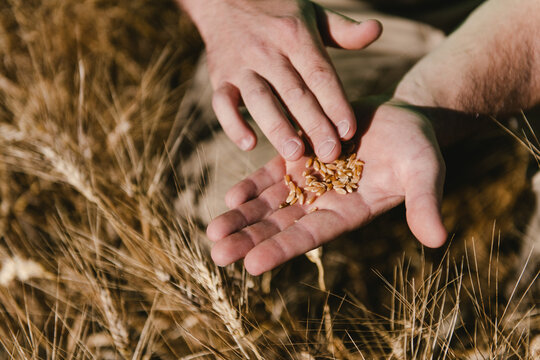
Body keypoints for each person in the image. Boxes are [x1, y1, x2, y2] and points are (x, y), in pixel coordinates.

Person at [179, 0, 540, 275]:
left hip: (509, 17)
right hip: (319, 13)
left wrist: (428, 99)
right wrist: (225, 10)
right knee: (210, 210)